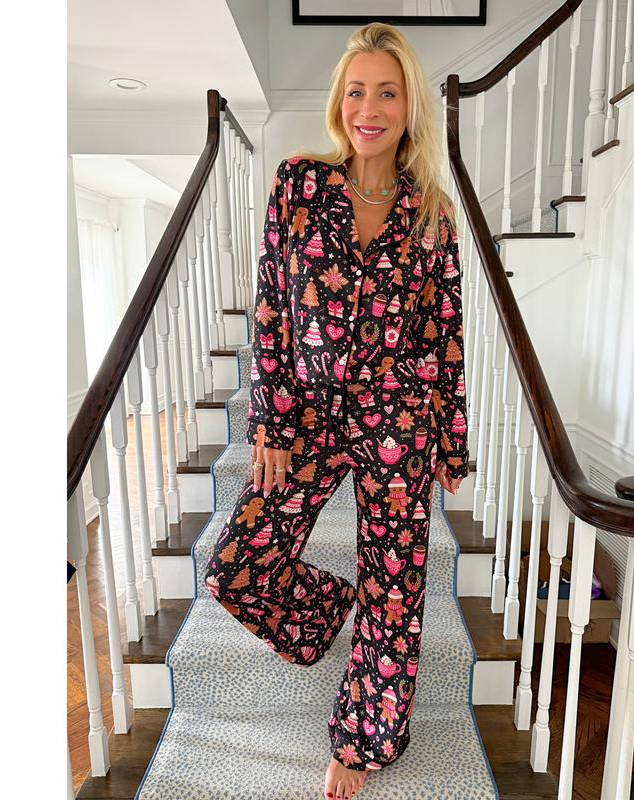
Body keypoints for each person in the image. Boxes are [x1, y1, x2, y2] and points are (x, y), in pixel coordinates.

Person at [204, 21, 469, 800]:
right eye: (357, 91)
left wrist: (449, 440)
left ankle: (362, 741)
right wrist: (268, 418)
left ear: (409, 106)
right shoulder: (298, 184)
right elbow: (271, 309)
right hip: (307, 415)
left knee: (397, 586)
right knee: (235, 568)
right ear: (338, 101)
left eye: (387, 92)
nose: (369, 108)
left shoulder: (433, 214)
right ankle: (328, 614)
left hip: (398, 416)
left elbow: (445, 331)